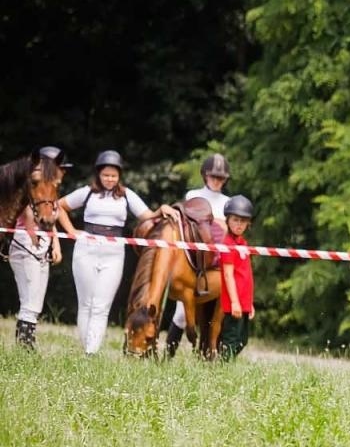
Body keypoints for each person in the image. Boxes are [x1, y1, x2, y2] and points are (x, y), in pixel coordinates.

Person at [63, 150, 175, 354]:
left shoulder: (127, 195)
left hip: (113, 252)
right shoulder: (86, 192)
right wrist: (71, 230)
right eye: (105, 175)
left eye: (114, 176)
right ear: (98, 174)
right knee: (86, 304)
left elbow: (147, 215)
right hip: (86, 249)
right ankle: (86, 347)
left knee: (101, 306)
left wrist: (162, 209)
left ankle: (91, 352)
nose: (109, 179)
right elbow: (59, 206)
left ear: (119, 176)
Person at [7, 147, 79, 350]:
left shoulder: (49, 192)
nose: (63, 172)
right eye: (60, 168)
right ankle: (24, 346)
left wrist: (55, 244)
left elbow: (49, 223)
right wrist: (35, 240)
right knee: (30, 298)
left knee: (36, 300)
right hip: (26, 243)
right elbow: (30, 219)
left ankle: (27, 343)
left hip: (42, 243)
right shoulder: (31, 187)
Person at [166, 152, 232, 353]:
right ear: (205, 175)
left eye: (221, 178)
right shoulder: (192, 196)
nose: (217, 181)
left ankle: (211, 350)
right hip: (193, 260)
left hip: (216, 263)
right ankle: (168, 354)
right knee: (181, 314)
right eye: (213, 176)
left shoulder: (228, 202)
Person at [216, 195, 256, 360]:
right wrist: (234, 302)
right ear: (228, 220)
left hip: (244, 300)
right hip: (234, 301)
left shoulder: (242, 243)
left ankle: (223, 358)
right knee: (231, 339)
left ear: (248, 223)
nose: (239, 224)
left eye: (243, 221)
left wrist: (249, 303)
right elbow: (228, 274)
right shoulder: (228, 245)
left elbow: (246, 274)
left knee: (242, 340)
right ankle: (223, 366)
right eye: (235, 220)